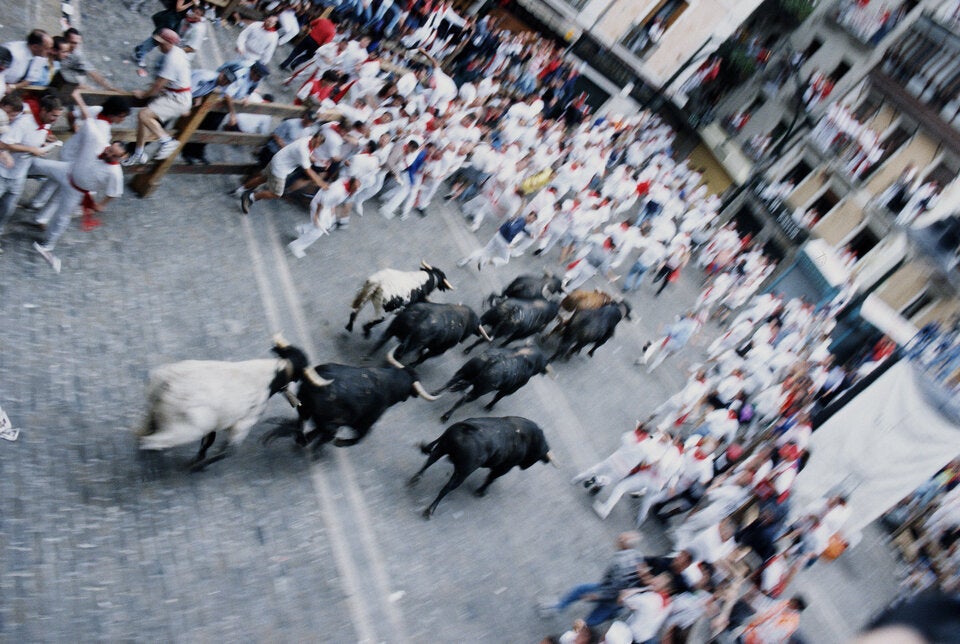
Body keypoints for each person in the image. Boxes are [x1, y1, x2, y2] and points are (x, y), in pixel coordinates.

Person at [0, 94, 63, 253]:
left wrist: (44, 144)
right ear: (44, 111)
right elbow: (4, 143)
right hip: (2, 171)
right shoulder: (24, 123)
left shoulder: (45, 124)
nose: (55, 119)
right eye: (54, 115)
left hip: (18, 174)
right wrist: (31, 149)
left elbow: (37, 140)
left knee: (7, 209)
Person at [126, 28, 193, 164]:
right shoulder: (177, 53)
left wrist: (143, 94)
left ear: (168, 43)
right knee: (143, 120)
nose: (158, 46)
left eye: (160, 43)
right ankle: (138, 152)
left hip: (177, 99)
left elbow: (157, 86)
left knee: (144, 115)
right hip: (174, 94)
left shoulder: (172, 58)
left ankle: (167, 141)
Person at [240, 130, 328, 213]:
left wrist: (316, 160)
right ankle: (250, 197)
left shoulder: (307, 139)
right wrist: (321, 183)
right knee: (277, 194)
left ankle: (240, 190)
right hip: (280, 169)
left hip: (277, 160)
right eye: (315, 142)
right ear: (313, 138)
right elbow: (308, 171)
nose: (316, 145)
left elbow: (307, 155)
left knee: (262, 178)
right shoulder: (303, 150)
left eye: (318, 144)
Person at [457, 211, 537, 271]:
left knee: (484, 250)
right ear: (529, 215)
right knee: (505, 260)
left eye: (533, 220)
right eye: (532, 218)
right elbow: (512, 229)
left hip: (498, 235)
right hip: (504, 241)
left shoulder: (520, 218)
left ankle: (465, 260)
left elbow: (510, 222)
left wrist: (501, 228)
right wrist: (509, 243)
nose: (531, 220)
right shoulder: (522, 222)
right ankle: (485, 261)